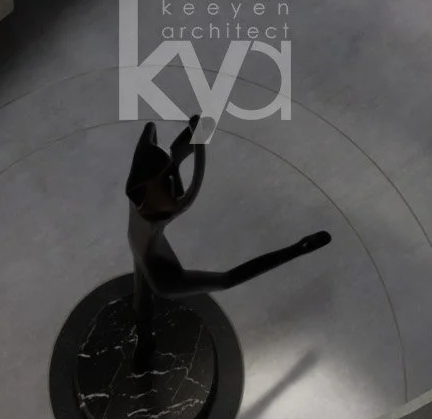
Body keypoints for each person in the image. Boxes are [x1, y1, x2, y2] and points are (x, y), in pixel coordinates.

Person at [125, 114, 329, 327]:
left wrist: (199, 133)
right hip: (164, 278)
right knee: (225, 280)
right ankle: (299, 247)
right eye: (168, 181)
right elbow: (194, 187)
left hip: (139, 246)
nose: (175, 183)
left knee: (142, 296)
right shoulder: (160, 214)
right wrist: (199, 140)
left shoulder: (136, 195)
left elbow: (162, 145)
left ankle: (142, 318)